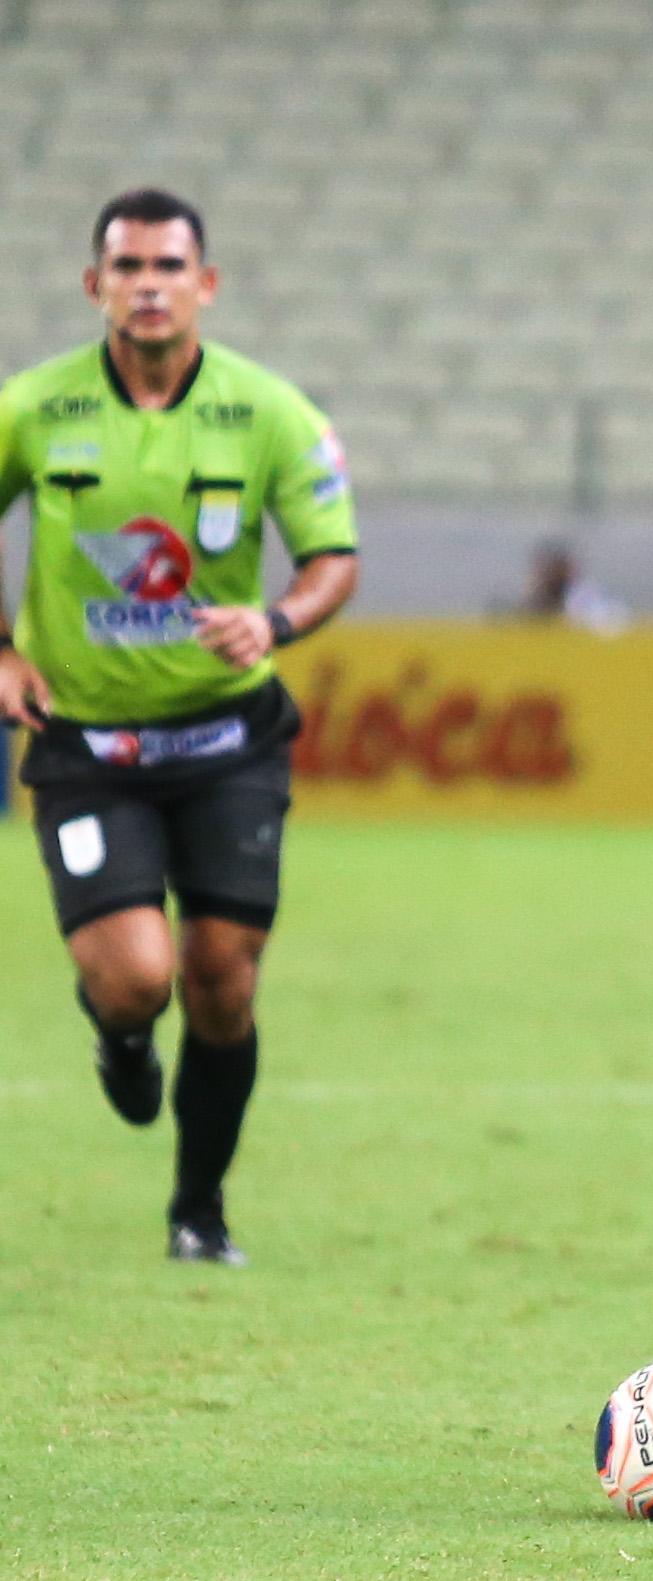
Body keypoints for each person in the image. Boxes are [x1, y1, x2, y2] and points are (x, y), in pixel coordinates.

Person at [0, 188, 360, 1265]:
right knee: (137, 978)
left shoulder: (270, 412)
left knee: (221, 980)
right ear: (94, 284)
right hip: (85, 745)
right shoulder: (33, 408)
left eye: (168, 266)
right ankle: (119, 1034)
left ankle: (199, 1211)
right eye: (128, 267)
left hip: (225, 743)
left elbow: (333, 558)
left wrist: (276, 620)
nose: (148, 285)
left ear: (206, 283)